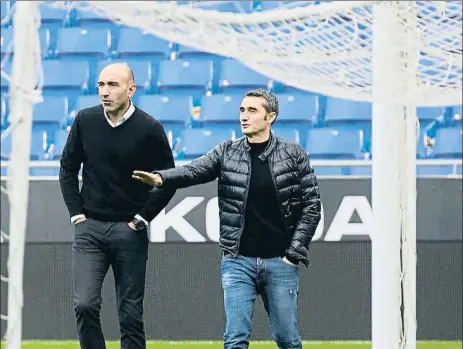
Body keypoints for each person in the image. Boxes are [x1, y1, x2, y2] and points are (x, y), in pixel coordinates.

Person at [132, 89, 321, 349]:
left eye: (252, 111)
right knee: (235, 340)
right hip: (237, 261)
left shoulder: (293, 155)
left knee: (287, 340)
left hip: (280, 263)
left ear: (271, 117)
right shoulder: (227, 152)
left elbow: (312, 207)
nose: (244, 116)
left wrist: (292, 254)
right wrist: (161, 177)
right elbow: (193, 171)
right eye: (242, 110)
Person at [59, 62, 176, 349]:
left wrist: (141, 218)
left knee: (131, 315)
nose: (104, 91)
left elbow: (167, 179)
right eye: (100, 85)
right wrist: (76, 214)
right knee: (85, 305)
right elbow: (67, 168)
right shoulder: (85, 121)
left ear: (130, 89)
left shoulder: (149, 128)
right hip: (90, 230)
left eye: (112, 85)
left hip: (130, 232)